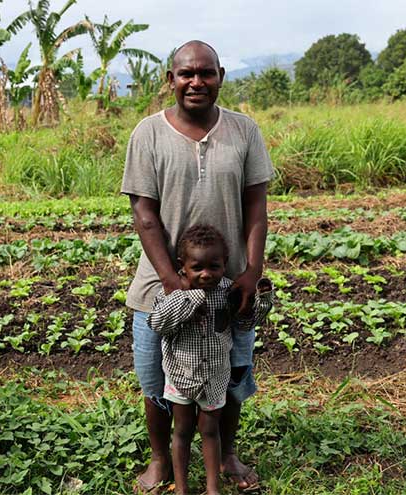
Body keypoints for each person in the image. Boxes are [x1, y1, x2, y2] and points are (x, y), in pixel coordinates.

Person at [120, 39, 275, 494]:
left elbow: (256, 208)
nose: (196, 82)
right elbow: (145, 215)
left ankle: (226, 454)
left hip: (229, 287)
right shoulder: (148, 134)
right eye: (186, 73)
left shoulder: (244, 131)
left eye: (206, 73)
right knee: (156, 380)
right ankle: (160, 460)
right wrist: (172, 282)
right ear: (171, 79)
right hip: (159, 288)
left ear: (220, 76)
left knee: (230, 374)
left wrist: (251, 272)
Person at [147, 224, 273, 495]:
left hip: (215, 377)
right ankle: (182, 489)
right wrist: (191, 298)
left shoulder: (228, 292)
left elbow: (245, 323)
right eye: (197, 268)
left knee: (210, 429)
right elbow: (157, 323)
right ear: (182, 267)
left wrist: (261, 300)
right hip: (181, 375)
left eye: (214, 267)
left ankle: (212, 488)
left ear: (225, 263)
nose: (206, 274)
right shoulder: (172, 295)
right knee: (181, 431)